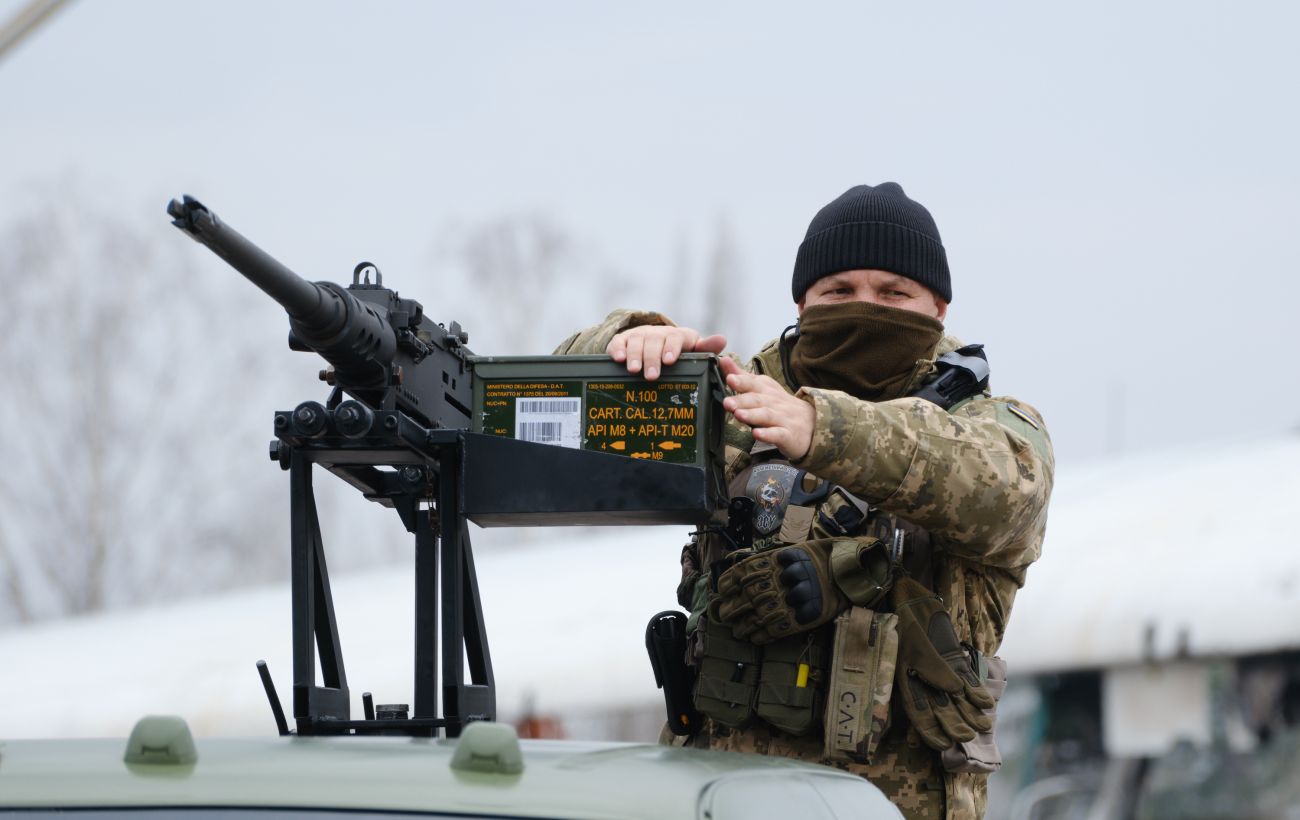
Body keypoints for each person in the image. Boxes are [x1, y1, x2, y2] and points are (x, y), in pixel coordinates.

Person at [555, 183, 1053, 820]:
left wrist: (824, 428)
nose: (865, 307)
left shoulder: (993, 428)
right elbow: (550, 413)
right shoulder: (736, 403)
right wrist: (629, 343)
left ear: (938, 308)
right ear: (803, 302)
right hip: (718, 798)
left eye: (893, 293)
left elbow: (1000, 492)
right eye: (839, 290)